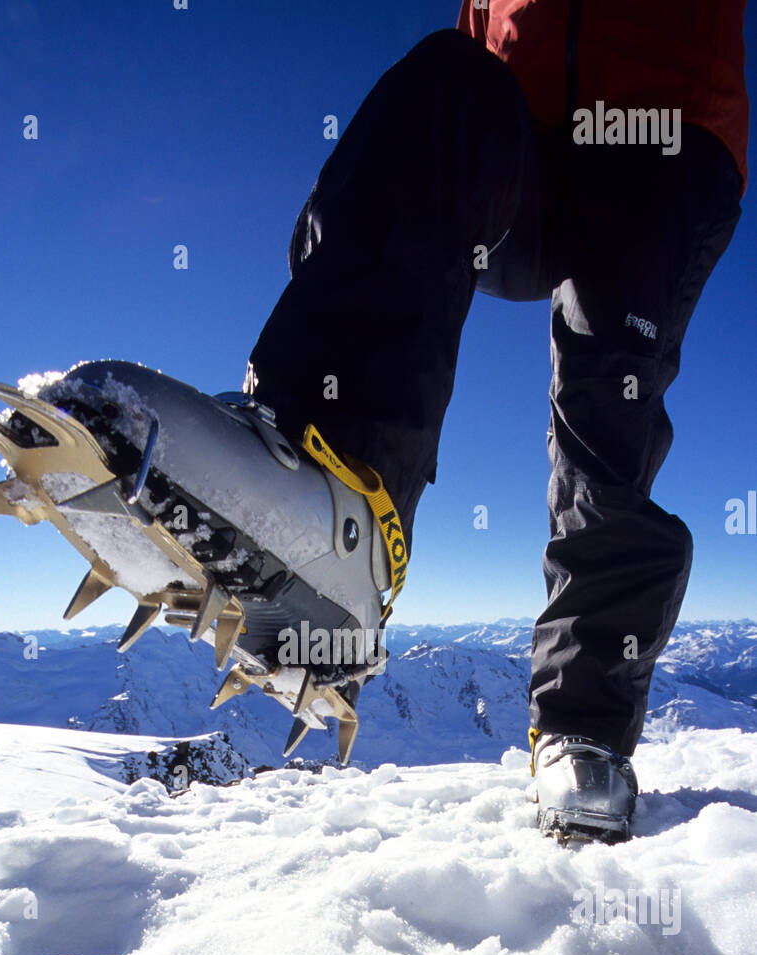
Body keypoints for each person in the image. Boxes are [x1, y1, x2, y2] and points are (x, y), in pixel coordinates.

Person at [241, 0, 749, 841]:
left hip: (666, 123)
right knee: (440, 90)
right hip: (526, 129)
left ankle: (583, 725)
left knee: (605, 397)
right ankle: (326, 508)